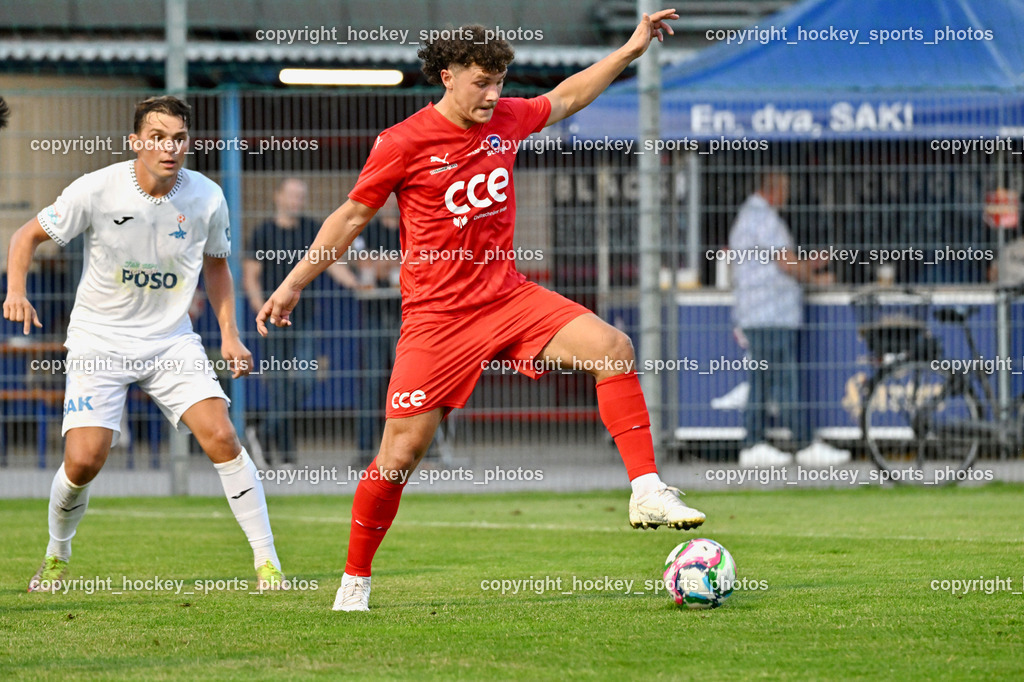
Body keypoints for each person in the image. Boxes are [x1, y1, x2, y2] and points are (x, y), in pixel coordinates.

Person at [258, 12, 707, 613]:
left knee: (613, 348)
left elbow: (566, 95)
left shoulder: (506, 120)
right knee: (398, 458)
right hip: (437, 321)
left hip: (508, 297)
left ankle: (646, 489)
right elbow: (349, 218)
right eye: (481, 83)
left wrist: (630, 50)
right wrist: (292, 284)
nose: (493, 95)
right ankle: (355, 581)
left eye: (499, 82)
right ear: (447, 77)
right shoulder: (403, 141)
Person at [4, 96, 287, 592]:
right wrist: (15, 293)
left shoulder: (207, 197)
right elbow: (26, 237)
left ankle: (268, 564)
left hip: (170, 341)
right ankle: (56, 555)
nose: (169, 147)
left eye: (178, 138)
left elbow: (217, 265)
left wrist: (229, 336)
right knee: (85, 459)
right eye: (157, 137)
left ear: (188, 142)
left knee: (221, 437)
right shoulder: (97, 189)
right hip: (99, 339)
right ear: (136, 142)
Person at [729, 171, 851, 468]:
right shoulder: (764, 218)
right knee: (783, 379)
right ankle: (802, 443)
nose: (788, 196)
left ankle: (754, 443)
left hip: (760, 311)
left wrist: (809, 264)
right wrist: (815, 276)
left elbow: (774, 261)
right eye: (785, 189)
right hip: (769, 311)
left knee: (763, 379)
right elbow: (785, 262)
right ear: (775, 189)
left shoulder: (749, 217)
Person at [242, 178, 360, 466]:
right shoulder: (263, 233)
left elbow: (331, 263)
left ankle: (262, 431)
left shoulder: (311, 229)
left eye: (302, 196)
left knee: (306, 379)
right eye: (293, 195)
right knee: (280, 385)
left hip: (303, 319)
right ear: (278, 196)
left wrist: (357, 284)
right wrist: (263, 310)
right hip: (272, 320)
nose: (298, 201)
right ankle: (284, 452)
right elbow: (251, 276)